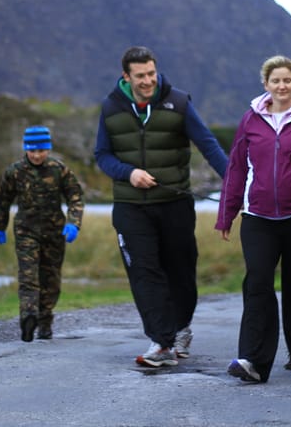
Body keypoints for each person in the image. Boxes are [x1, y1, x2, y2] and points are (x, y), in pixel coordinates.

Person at [94, 45, 229, 367]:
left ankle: (181, 328)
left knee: (181, 273)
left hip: (175, 203)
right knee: (143, 272)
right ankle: (161, 342)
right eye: (140, 76)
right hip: (130, 206)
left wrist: (236, 184)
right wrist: (129, 173)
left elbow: (208, 145)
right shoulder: (111, 107)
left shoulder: (178, 102)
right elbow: (102, 155)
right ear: (126, 76)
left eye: (151, 73)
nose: (147, 81)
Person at [215, 55, 291, 383]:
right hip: (258, 216)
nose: (281, 86)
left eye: (287, 80)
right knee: (257, 282)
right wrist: (226, 213)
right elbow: (236, 169)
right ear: (266, 85)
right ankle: (254, 361)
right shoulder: (251, 120)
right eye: (275, 81)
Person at [0, 125, 85, 342]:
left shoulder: (59, 169)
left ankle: (45, 321)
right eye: (32, 150)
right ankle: (28, 317)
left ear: (48, 149)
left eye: (41, 151)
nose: (36, 155)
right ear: (26, 149)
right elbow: (3, 201)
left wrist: (74, 223)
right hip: (26, 230)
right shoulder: (14, 171)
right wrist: (0, 226)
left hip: (54, 232)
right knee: (28, 276)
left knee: (50, 278)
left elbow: (75, 197)